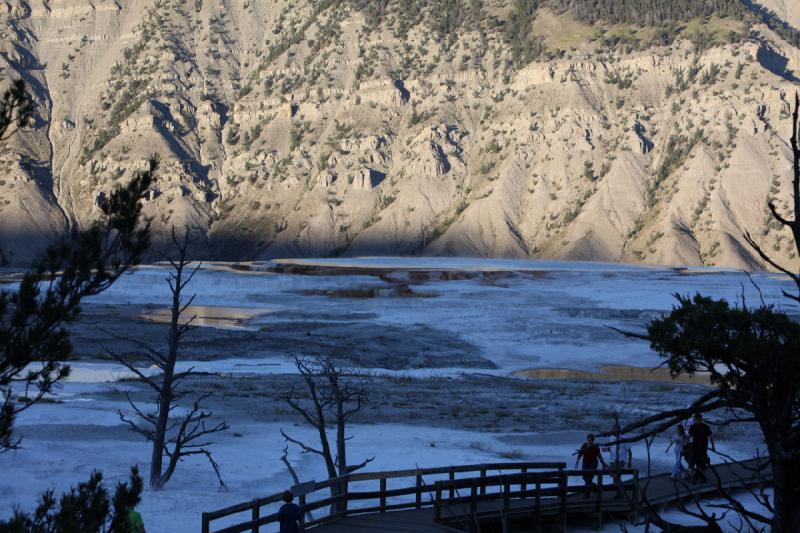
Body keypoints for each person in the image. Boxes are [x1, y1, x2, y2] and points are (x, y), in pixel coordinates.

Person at [605, 423, 632, 499]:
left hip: (621, 460)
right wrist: (606, 449)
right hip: (613, 460)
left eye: (614, 429)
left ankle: (620, 494)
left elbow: (629, 451)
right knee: (614, 477)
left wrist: (629, 462)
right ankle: (618, 493)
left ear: (618, 430)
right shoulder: (611, 437)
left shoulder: (624, 438)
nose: (612, 430)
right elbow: (611, 448)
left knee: (617, 476)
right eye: (612, 429)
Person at [575, 434, 606, 498]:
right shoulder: (584, 445)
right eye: (587, 439)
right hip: (585, 463)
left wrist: (602, 463)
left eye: (590, 440)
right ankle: (594, 487)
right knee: (584, 477)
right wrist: (577, 460)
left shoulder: (595, 446)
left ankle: (587, 494)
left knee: (589, 478)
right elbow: (580, 452)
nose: (588, 441)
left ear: (592, 440)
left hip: (593, 463)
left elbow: (599, 455)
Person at [688, 413, 715, 483]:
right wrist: (685, 444)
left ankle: (700, 477)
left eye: (695, 420)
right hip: (695, 448)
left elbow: (711, 436)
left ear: (700, 420)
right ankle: (695, 477)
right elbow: (689, 437)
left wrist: (713, 446)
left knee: (701, 463)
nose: (694, 421)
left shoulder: (705, 427)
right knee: (694, 463)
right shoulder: (693, 427)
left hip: (703, 448)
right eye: (694, 420)